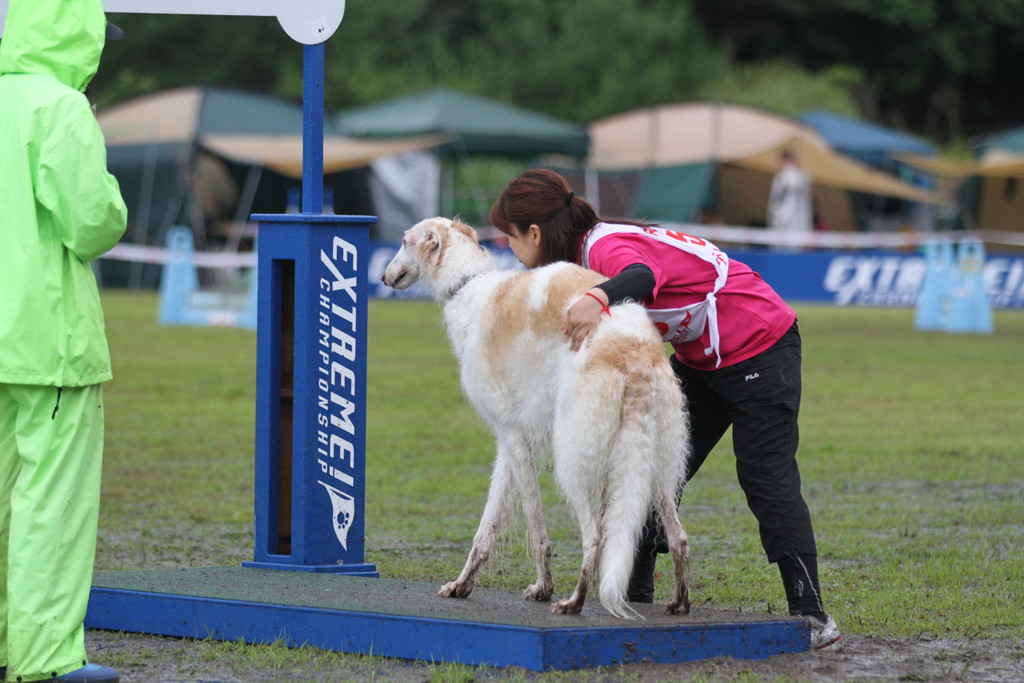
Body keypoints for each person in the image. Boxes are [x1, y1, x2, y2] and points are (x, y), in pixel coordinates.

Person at [489, 169, 843, 651]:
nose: (510, 250)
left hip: (761, 344)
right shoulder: (575, 259)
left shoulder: (600, 246)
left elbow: (643, 278)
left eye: (509, 238)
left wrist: (598, 295)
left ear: (533, 233)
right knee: (644, 467)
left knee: (765, 477)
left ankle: (812, 616)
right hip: (701, 360)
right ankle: (638, 605)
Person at [0, 0, 127, 680]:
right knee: (51, 505)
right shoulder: (62, 108)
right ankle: (45, 660)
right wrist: (110, 191)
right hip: (48, 341)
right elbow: (93, 224)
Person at [767, 149, 813, 242]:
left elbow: (796, 187)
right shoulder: (779, 177)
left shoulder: (801, 176)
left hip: (796, 220)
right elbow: (776, 198)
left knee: (795, 242)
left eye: (787, 160)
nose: (785, 163)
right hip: (779, 218)